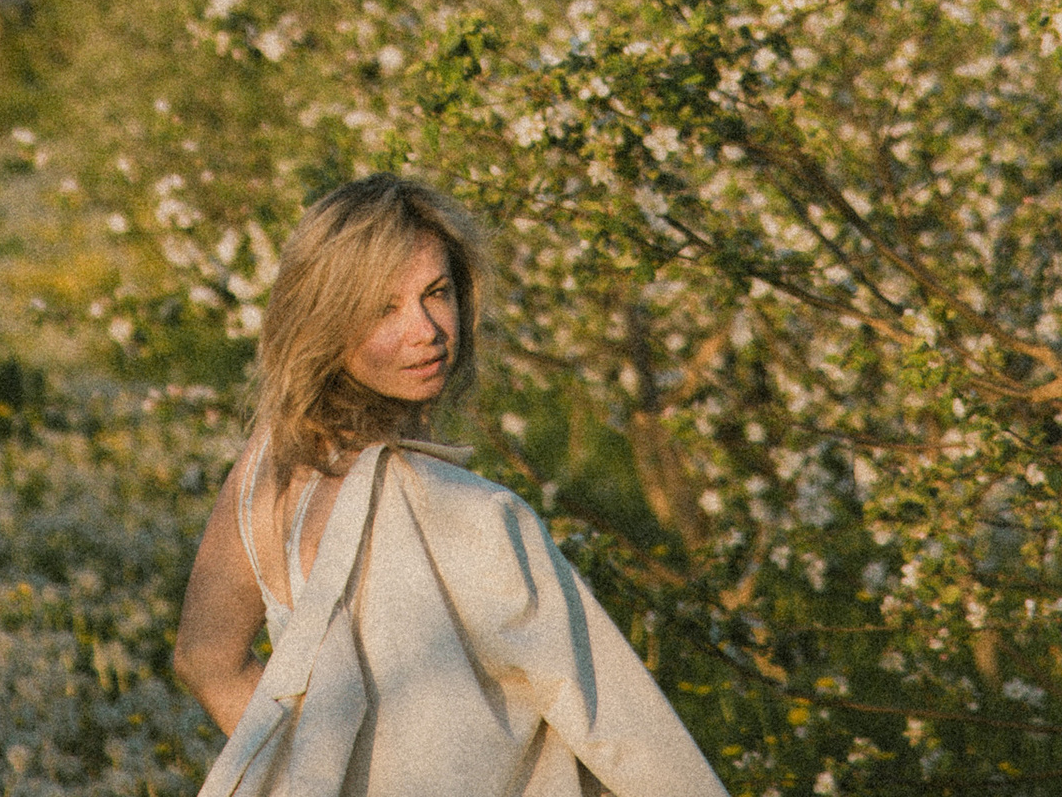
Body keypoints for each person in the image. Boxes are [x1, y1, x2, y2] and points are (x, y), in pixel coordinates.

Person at [173, 175, 728, 797]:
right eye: (384, 308)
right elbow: (630, 739)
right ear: (325, 319)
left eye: (435, 293)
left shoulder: (268, 467)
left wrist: (314, 775)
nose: (427, 330)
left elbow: (207, 660)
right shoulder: (472, 513)